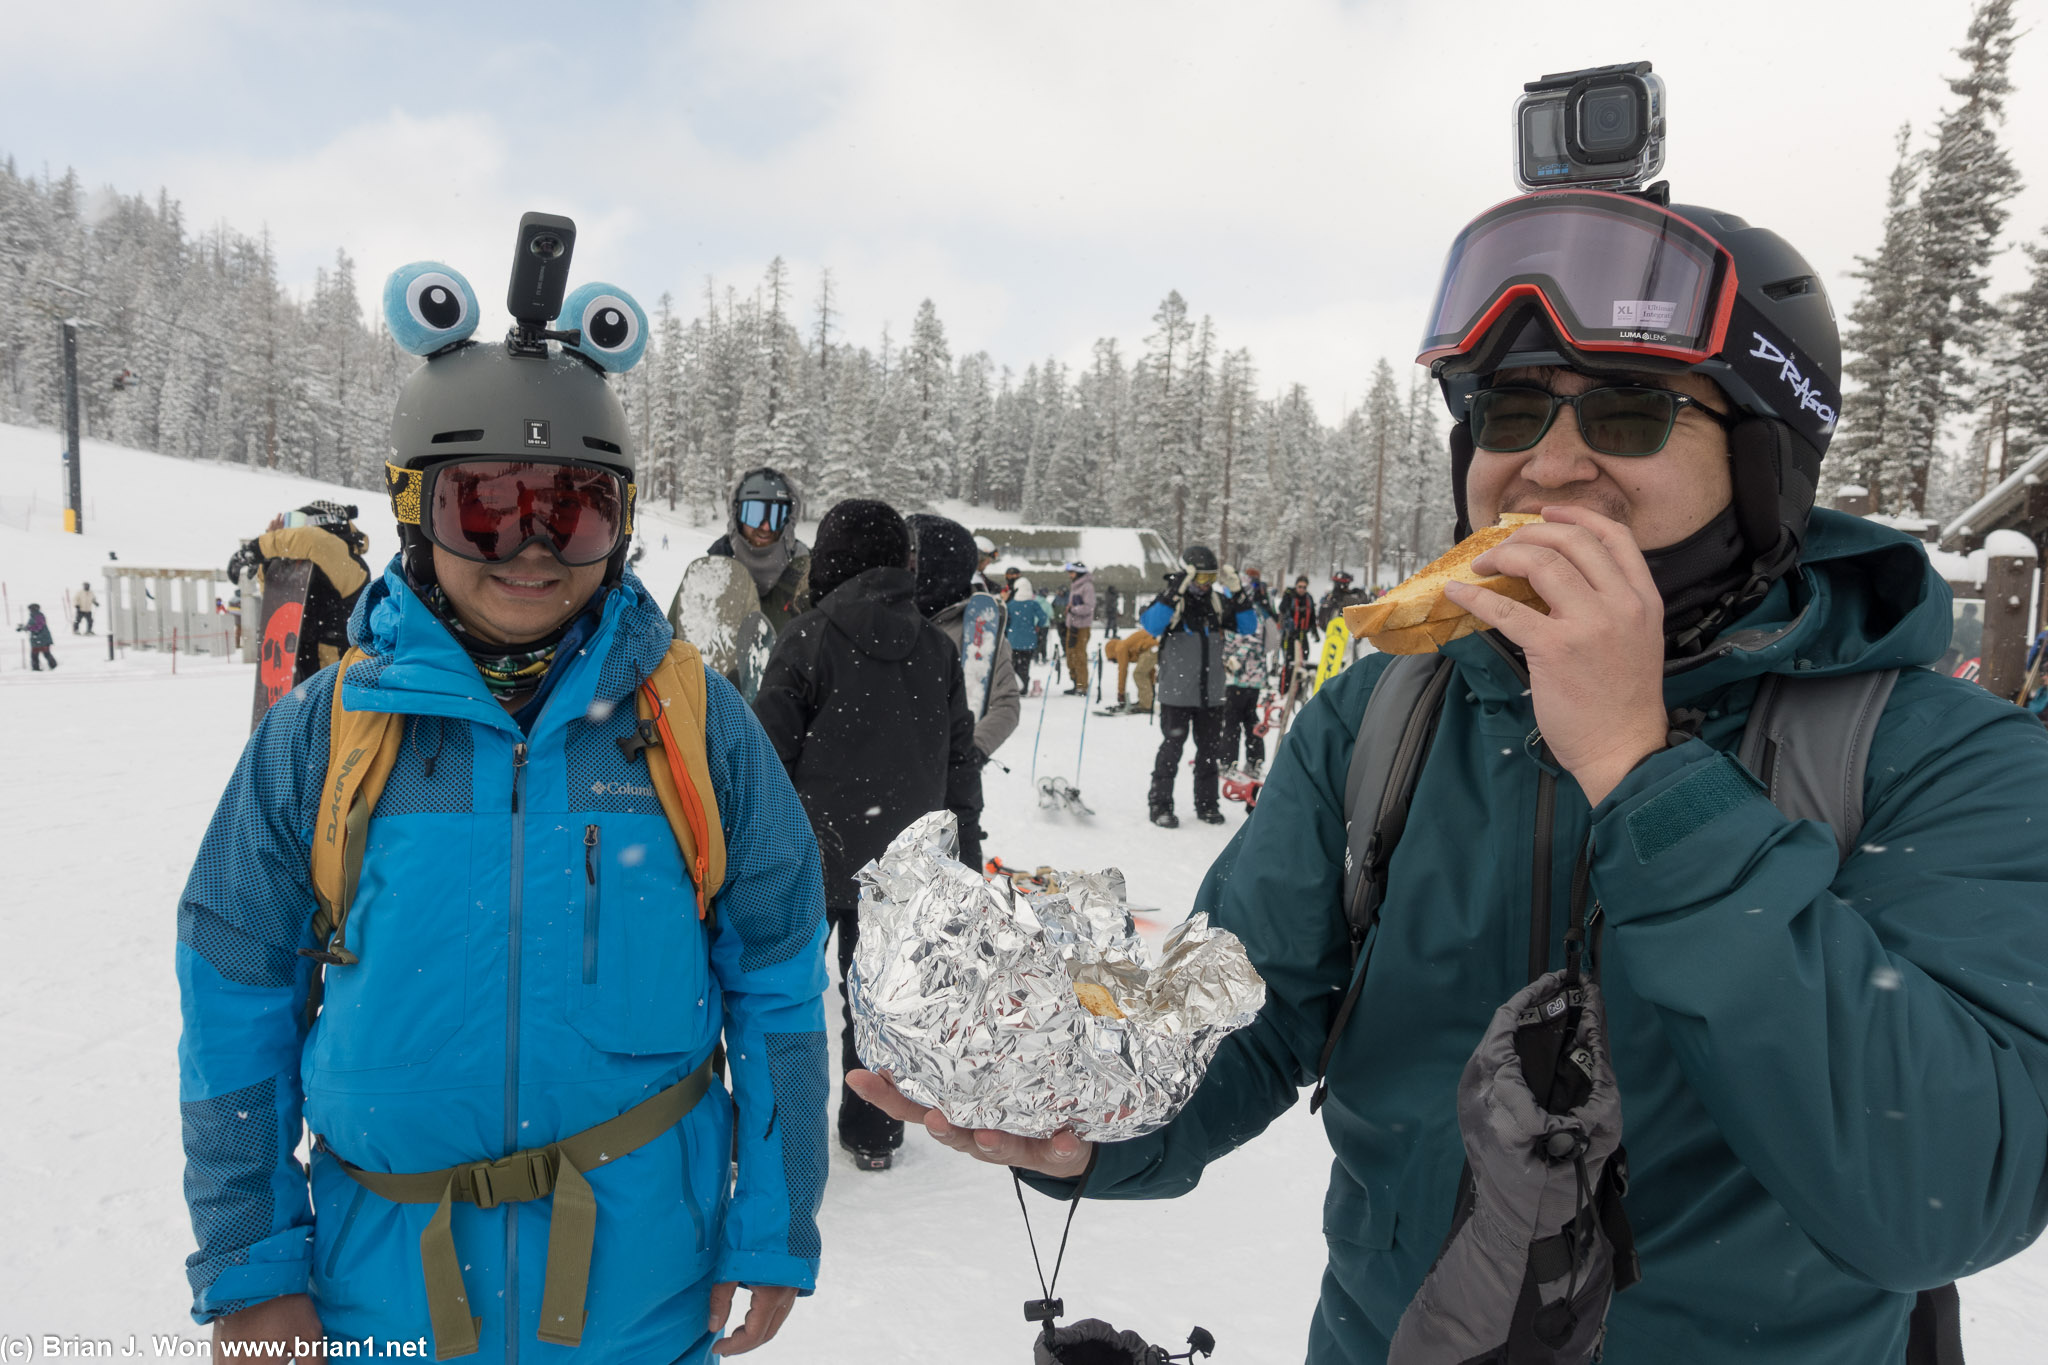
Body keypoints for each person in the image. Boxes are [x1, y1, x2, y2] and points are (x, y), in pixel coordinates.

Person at [850, 183, 2048, 1363]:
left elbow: (1945, 1191)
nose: (1551, 466)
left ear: (1761, 462)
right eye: (1512, 412)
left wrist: (1643, 774)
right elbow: (1240, 1017)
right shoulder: (1386, 714)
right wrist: (1095, 1127)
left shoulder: (1938, 757)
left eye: (1628, 415)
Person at [179, 311, 827, 1360]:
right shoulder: (326, 734)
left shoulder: (694, 726)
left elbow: (780, 977)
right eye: (486, 510)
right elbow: (234, 988)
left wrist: (774, 1220)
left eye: (571, 514)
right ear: (412, 512)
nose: (531, 549)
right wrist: (250, 1261)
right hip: (384, 1301)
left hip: (642, 1301)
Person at [753, 499, 981, 1171]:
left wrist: (750, 857)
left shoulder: (807, 637)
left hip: (809, 858)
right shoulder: (937, 650)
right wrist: (962, 862)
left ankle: (774, 1132)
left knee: (783, 999)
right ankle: (875, 1131)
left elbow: (765, 762)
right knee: (877, 1005)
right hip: (900, 871)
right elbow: (959, 769)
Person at [1140, 546, 1254, 827]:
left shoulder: (1216, 602)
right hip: (1177, 694)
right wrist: (1175, 588)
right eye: (1200, 578)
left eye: (1210, 578)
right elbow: (1151, 626)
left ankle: (1207, 804)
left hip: (1211, 694)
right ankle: (1160, 804)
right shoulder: (1173, 602)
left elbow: (1248, 626)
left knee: (1209, 752)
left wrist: (1239, 594)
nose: (1205, 585)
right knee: (1171, 750)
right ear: (1187, 574)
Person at [907, 513, 1021, 765]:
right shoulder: (895, 617)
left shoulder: (976, 630)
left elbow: (1006, 705)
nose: (908, 567)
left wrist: (969, 755)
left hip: (939, 776)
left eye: (915, 558)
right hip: (884, 773)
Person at [226, 502, 372, 669]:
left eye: (297, 523)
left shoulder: (349, 561)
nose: (290, 530)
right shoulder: (306, 569)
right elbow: (272, 599)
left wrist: (258, 548)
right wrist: (268, 561)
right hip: (298, 663)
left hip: (334, 669)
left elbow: (313, 541)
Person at [698, 466, 811, 636]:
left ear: (789, 518)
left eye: (776, 516)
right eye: (755, 514)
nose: (765, 527)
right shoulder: (713, 569)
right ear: (737, 514)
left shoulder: (807, 573)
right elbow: (679, 646)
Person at [1220, 573, 1271, 776]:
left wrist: (1232, 661)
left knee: (1234, 719)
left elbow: (1250, 640)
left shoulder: (1248, 613)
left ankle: (1230, 761)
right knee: (1249, 718)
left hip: (1242, 677)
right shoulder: (1251, 610)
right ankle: (1254, 759)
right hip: (1250, 676)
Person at [1003, 569, 1049, 695]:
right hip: (1029, 639)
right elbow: (1044, 618)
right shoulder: (1033, 604)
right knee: (1025, 666)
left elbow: (1006, 621)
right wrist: (1037, 626)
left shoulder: (1011, 605)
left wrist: (1008, 631)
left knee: (1012, 665)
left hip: (1013, 639)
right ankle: (1023, 689)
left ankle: (1012, 689)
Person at [1275, 572, 1319, 693]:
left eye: (1304, 587)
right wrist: (1286, 596)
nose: (1301, 590)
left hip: (1302, 634)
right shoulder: (1290, 596)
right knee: (1289, 662)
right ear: (1296, 586)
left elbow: (1312, 617)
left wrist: (1314, 631)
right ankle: (1284, 690)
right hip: (1289, 635)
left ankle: (1297, 690)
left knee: (1303, 661)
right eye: (1299, 587)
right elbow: (1281, 609)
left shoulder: (1308, 598)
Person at [1101, 626, 1158, 714]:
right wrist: (1152, 685)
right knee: (1142, 672)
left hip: (1152, 646)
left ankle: (1146, 705)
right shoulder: (1130, 646)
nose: (1116, 662)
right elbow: (1150, 670)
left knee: (1139, 674)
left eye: (1113, 660)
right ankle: (1146, 702)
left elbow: (1123, 671)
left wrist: (1121, 693)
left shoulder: (1120, 648)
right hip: (1156, 644)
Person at [1061, 561, 1095, 695]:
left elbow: (1089, 607)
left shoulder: (1087, 587)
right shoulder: (1075, 586)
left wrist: (1073, 610)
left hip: (1082, 627)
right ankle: (1075, 682)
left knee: (1079, 656)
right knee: (1070, 655)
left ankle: (1082, 686)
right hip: (1072, 626)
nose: (1070, 575)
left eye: (1072, 572)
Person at [18, 602, 56, 669]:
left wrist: (27, 628)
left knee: (44, 654)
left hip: (42, 639)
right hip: (37, 639)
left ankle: (53, 666)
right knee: (37, 654)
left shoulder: (38, 616)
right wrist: (23, 627)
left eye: (30, 609)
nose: (30, 610)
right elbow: (31, 626)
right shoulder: (34, 616)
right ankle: (37, 668)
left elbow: (39, 627)